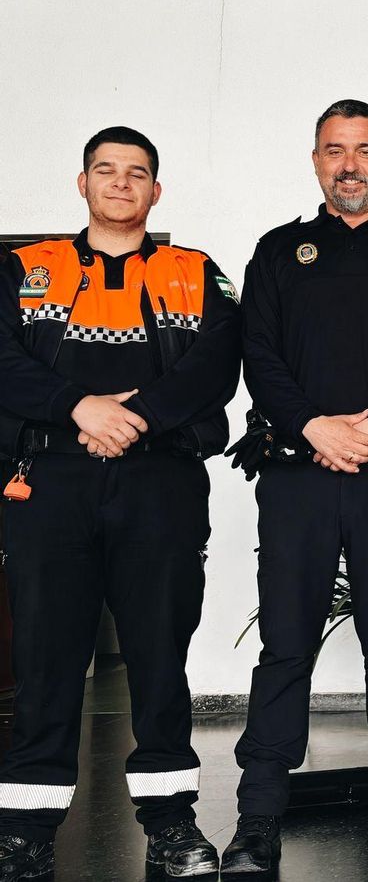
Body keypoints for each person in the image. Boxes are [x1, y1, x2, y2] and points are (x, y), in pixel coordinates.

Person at [0, 126, 242, 878]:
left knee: (159, 658)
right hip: (49, 485)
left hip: (159, 482)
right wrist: (80, 408)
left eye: (136, 173)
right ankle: (26, 833)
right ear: (82, 184)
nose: (120, 183)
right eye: (105, 170)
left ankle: (171, 827)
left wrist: (132, 420)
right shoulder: (22, 270)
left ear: (155, 191)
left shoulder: (196, 272)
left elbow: (216, 366)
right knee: (43, 658)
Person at [223, 99, 368, 874]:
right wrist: (315, 428)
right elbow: (259, 355)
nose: (350, 164)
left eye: (365, 150)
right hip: (296, 477)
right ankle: (258, 820)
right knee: (285, 646)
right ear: (316, 162)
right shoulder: (280, 249)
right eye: (335, 150)